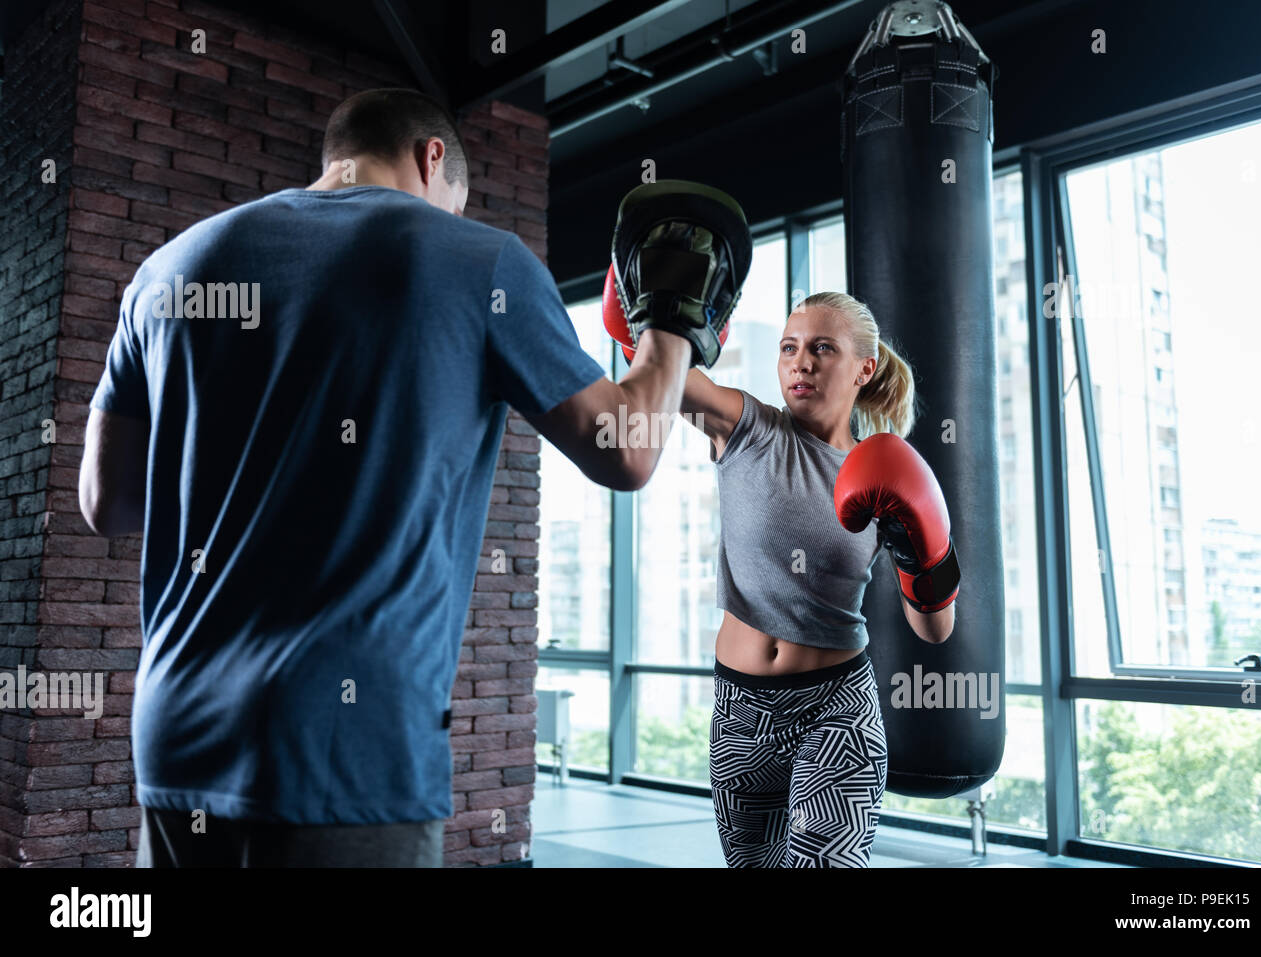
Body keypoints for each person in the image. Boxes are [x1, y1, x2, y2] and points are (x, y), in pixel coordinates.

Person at [77, 87, 701, 867]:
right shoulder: (480, 260)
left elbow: (107, 501)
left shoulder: (170, 268)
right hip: (348, 753)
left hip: (177, 737)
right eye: (456, 202)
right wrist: (673, 321)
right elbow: (628, 449)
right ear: (432, 158)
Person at [681, 290, 958, 867]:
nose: (800, 362)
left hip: (836, 712)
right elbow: (669, 381)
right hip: (740, 711)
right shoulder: (748, 427)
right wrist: (662, 316)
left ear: (865, 367)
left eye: (822, 348)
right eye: (789, 348)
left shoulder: (886, 470)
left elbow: (935, 629)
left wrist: (918, 549)